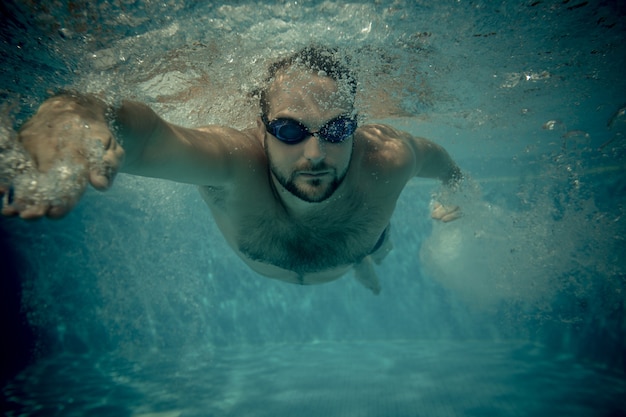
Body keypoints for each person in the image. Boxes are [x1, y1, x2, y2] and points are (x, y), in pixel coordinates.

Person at [0, 45, 462, 294]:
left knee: (374, 250)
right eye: (288, 130)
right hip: (341, 248)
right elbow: (155, 136)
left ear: (356, 127)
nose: (316, 153)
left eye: (337, 128)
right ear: (259, 131)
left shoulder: (388, 158)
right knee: (365, 249)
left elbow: (445, 164)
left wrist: (452, 191)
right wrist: (79, 111)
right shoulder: (234, 163)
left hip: (360, 246)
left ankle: (367, 259)